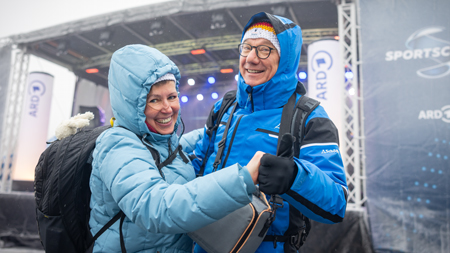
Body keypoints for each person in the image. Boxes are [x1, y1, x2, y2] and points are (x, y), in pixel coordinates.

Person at [188, 12, 348, 252]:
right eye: (247, 47)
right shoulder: (225, 107)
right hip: (203, 245)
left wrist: (295, 177)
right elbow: (196, 166)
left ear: (286, 59)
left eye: (265, 50)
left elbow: (337, 204)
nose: (252, 58)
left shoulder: (309, 117)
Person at [88, 44, 263, 252]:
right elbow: (157, 208)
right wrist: (241, 180)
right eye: (154, 100)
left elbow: (199, 138)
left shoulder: (164, 143)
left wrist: (231, 124)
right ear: (131, 106)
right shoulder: (117, 145)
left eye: (171, 97)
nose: (167, 108)